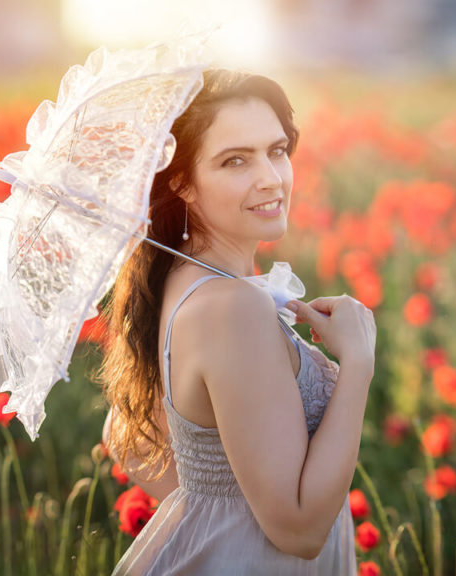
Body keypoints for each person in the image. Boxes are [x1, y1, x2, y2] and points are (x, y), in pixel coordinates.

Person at [100, 68, 376, 575]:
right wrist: (357, 361)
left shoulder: (178, 281)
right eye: (235, 160)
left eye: (276, 150)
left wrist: (219, 499)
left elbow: (123, 431)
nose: (270, 177)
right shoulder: (231, 307)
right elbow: (300, 531)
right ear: (181, 180)